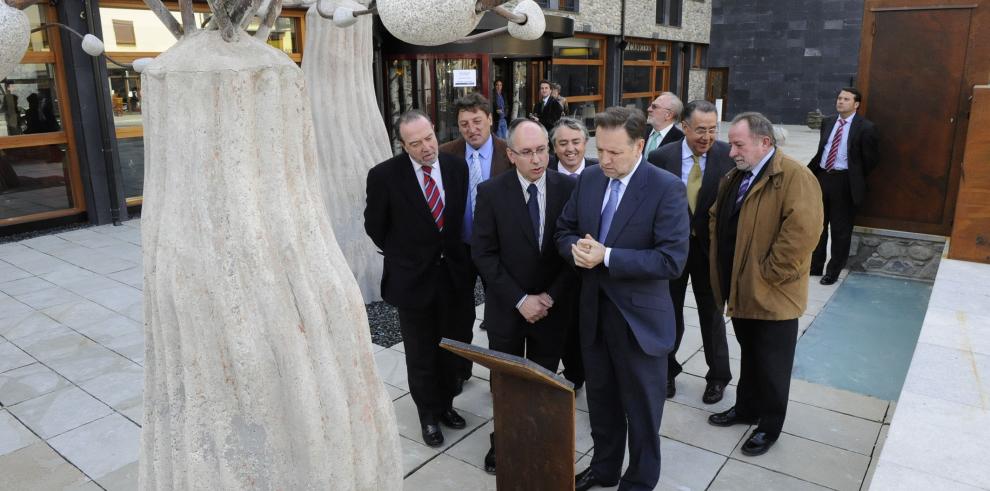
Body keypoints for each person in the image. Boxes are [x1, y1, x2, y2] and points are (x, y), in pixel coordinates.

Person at [557, 107, 689, 490]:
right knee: (601, 402)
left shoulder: (666, 188)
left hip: (640, 324)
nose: (606, 160)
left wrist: (608, 256)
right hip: (594, 315)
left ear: (640, 146)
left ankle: (640, 481)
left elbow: (672, 259)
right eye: (601, 150)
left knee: (643, 412)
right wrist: (574, 250)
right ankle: (605, 468)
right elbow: (564, 229)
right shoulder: (591, 179)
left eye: (615, 152)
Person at [707, 112, 823, 456]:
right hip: (741, 290)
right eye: (732, 144)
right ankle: (746, 409)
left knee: (773, 365)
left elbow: (802, 234)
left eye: (739, 144)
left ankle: (769, 426)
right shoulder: (737, 175)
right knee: (751, 356)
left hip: (773, 294)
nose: (732, 152)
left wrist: (768, 274)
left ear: (765, 143)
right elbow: (720, 217)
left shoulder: (795, 177)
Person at [364, 110, 475, 448]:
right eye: (416, 143)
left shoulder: (456, 167)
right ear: (403, 145)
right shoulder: (384, 176)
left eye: (429, 138)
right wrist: (408, 255)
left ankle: (446, 405)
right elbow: (375, 227)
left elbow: (458, 221)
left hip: (454, 277)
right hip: (413, 280)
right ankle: (428, 415)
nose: (427, 147)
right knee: (421, 352)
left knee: (453, 347)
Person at [472, 117, 577, 475]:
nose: (538, 159)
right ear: (511, 154)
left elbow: (574, 252)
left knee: (544, 381)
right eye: (528, 152)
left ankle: (539, 438)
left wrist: (548, 297)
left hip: (552, 309)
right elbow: (484, 254)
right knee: (506, 382)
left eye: (542, 150)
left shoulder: (568, 189)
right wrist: (521, 299)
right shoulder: (491, 192)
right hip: (507, 309)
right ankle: (502, 441)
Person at [647, 100, 734, 402]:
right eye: (700, 130)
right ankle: (667, 372)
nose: (707, 137)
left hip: (709, 252)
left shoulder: (727, 156)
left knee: (712, 315)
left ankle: (718, 377)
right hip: (672, 252)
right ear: (684, 127)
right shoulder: (660, 158)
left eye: (712, 130)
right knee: (668, 313)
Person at [439, 92, 514, 359]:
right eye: (464, 124)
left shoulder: (510, 154)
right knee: (458, 314)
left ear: (491, 119)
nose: (471, 129)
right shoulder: (445, 154)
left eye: (477, 121)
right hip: (460, 249)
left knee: (500, 316)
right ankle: (460, 369)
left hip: (499, 251)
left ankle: (500, 376)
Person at [808, 87, 879, 285]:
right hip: (822, 177)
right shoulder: (828, 122)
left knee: (840, 230)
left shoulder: (866, 128)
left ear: (856, 104)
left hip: (845, 182)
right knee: (817, 225)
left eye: (846, 99)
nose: (840, 101)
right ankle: (815, 266)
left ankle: (832, 271)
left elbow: (871, 160)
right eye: (839, 98)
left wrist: (854, 177)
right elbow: (822, 149)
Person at [548, 116, 599, 389]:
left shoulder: (601, 172)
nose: (570, 149)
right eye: (563, 143)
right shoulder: (543, 173)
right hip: (554, 266)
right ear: (554, 147)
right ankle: (573, 374)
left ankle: (589, 372)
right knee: (563, 326)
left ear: (586, 143)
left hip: (593, 266)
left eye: (576, 142)